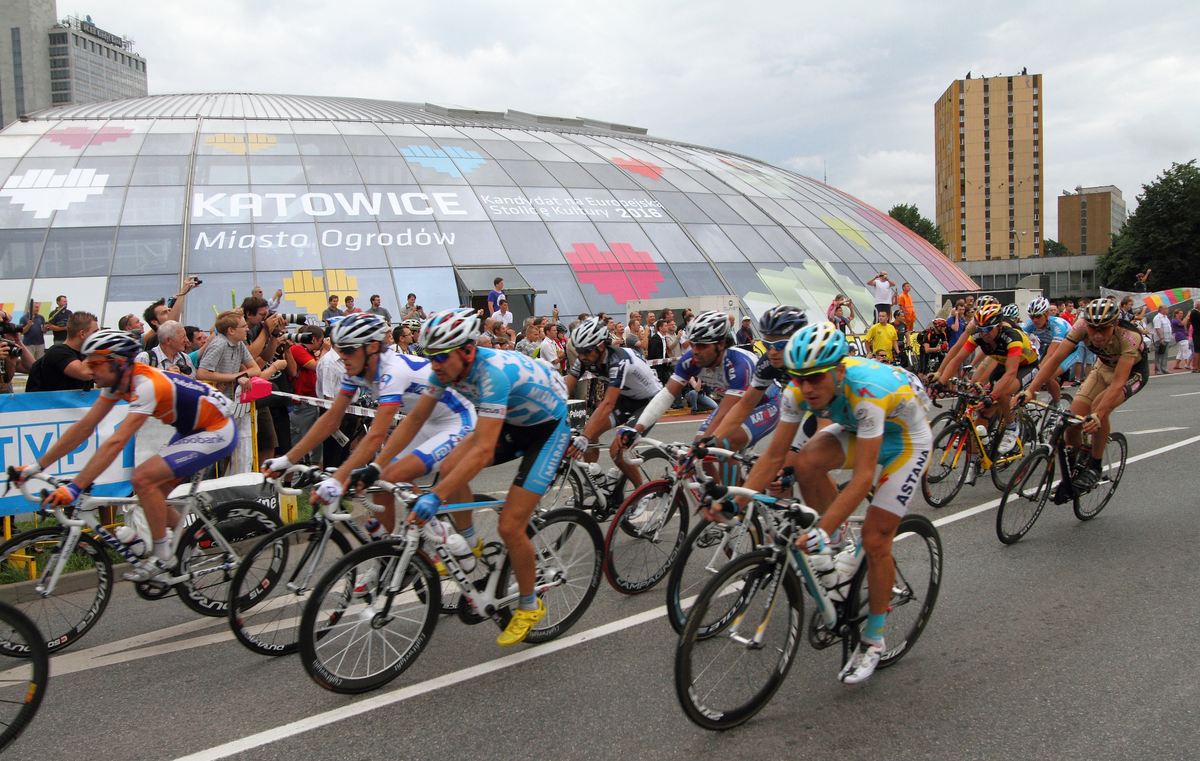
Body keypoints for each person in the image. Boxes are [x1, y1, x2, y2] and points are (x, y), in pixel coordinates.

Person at [718, 321, 931, 684]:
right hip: (855, 428)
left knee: (876, 539)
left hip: (906, 439)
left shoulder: (867, 392)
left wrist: (820, 528)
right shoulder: (796, 391)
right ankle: (833, 549)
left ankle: (874, 640)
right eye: (799, 377)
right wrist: (732, 505)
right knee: (806, 462)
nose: (807, 387)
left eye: (816, 377)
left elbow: (863, 477)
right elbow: (773, 457)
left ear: (838, 370)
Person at [368, 308, 569, 646]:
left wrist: (434, 496)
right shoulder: (444, 370)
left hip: (547, 431)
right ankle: (470, 543)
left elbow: (482, 451)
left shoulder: (493, 373)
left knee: (510, 525)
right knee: (448, 467)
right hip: (513, 423)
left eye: (440, 357)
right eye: (429, 357)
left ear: (467, 351)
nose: (434, 365)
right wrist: (378, 466)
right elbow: (414, 420)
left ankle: (529, 604)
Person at [14, 330, 237, 581]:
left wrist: (76, 487)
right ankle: (186, 548)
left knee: (142, 478)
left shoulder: (147, 386)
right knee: (152, 493)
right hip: (191, 429)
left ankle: (162, 555)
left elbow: (116, 442)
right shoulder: (118, 382)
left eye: (95, 364)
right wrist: (36, 466)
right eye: (87, 362)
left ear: (118, 363)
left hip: (218, 430)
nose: (89, 370)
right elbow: (84, 427)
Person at [265, 314, 476, 537]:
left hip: (457, 419)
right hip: (424, 421)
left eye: (348, 349)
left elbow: (376, 435)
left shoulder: (392, 371)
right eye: (339, 348)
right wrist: (287, 459)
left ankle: (462, 542)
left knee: (393, 474)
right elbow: (330, 418)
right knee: (382, 482)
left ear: (373, 347)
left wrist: (338, 479)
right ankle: (384, 557)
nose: (341, 354)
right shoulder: (357, 370)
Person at [620, 311, 780, 479]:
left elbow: (727, 412)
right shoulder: (692, 359)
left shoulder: (740, 364)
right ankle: (714, 496)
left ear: (721, 344)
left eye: (703, 345)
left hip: (765, 404)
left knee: (724, 444)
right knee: (701, 447)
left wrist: (698, 448)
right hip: (733, 404)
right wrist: (637, 429)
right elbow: (666, 395)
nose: (695, 351)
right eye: (694, 344)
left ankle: (730, 502)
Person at [1019, 298, 1147, 492]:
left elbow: (1119, 382)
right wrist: (1031, 389)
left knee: (1098, 408)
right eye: (1093, 329)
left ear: (1114, 324)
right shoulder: (1080, 326)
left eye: (1103, 329)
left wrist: (1099, 414)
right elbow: (1054, 360)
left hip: (1131, 373)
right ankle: (1074, 472)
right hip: (1102, 367)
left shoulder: (1129, 336)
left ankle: (1095, 466)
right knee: (1072, 420)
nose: (1096, 335)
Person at [563, 318, 662, 487]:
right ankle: (592, 485)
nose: (582, 356)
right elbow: (563, 390)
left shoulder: (619, 360)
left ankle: (642, 493)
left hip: (649, 401)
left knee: (617, 450)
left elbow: (608, 403)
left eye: (586, 351)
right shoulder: (584, 359)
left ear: (601, 346)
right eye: (579, 351)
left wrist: (584, 438)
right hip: (626, 397)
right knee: (590, 431)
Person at [934, 303, 1039, 456]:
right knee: (983, 406)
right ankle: (976, 459)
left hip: (1026, 365)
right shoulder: (979, 335)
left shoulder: (1012, 337)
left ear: (999, 326)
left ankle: (1011, 427)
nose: (984, 334)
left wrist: (993, 396)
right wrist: (940, 382)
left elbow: (1011, 373)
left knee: (1002, 394)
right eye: (981, 329)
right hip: (1003, 362)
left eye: (989, 329)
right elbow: (957, 359)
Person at [705, 305, 808, 453]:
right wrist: (715, 438)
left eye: (780, 345)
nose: (772, 351)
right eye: (767, 344)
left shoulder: (813, 363)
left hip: (839, 411)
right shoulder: (768, 363)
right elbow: (745, 405)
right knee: (780, 459)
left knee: (808, 462)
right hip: (799, 405)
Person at [197, 309, 287, 474]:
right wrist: (234, 377)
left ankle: (239, 482)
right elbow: (201, 373)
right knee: (215, 453)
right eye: (243, 327)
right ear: (231, 330)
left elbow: (255, 370)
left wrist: (235, 377)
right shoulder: (219, 344)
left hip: (235, 403)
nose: (247, 330)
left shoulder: (238, 344)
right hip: (216, 406)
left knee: (243, 445)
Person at [25, 312, 98, 393]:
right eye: (95, 332)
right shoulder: (58, 352)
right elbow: (85, 373)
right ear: (82, 334)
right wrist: (99, 348)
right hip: (55, 404)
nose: (98, 336)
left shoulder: (84, 355)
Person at [1020, 296, 1068, 407]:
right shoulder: (1030, 324)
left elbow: (1052, 353)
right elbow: (1020, 342)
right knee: (1034, 373)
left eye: (1038, 316)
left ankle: (1058, 406)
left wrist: (1040, 369)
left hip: (1070, 350)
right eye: (1032, 317)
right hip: (1048, 347)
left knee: (1047, 375)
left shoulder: (1057, 326)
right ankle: (1034, 408)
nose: (1035, 320)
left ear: (1046, 315)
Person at [287, 326, 324, 464]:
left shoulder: (309, 352)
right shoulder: (297, 349)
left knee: (317, 440)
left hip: (313, 401)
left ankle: (315, 472)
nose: (322, 344)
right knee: (297, 439)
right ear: (313, 339)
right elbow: (317, 367)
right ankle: (290, 477)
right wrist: (325, 350)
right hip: (301, 402)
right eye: (321, 341)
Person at [1152, 305, 1172, 375]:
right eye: (1166, 308)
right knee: (1159, 354)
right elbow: (1158, 328)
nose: (1168, 310)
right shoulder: (1158, 318)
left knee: (1165, 354)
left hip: (1167, 338)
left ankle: (1164, 368)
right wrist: (1161, 338)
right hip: (1161, 339)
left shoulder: (1166, 317)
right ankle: (1158, 369)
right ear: (1161, 309)